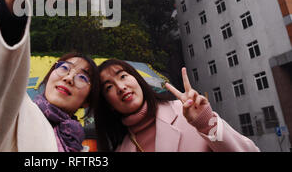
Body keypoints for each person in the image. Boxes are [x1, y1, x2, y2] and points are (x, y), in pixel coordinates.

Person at [0, 0, 99, 152]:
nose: (68, 78)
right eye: (64, 67)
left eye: (82, 77)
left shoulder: (80, 148)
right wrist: (15, 0)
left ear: (87, 100)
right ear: (48, 78)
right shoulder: (15, 117)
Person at [95, 59, 260, 152]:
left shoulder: (187, 114)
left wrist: (206, 123)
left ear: (138, 79)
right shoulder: (122, 149)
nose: (120, 87)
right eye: (109, 87)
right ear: (108, 104)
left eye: (123, 76)